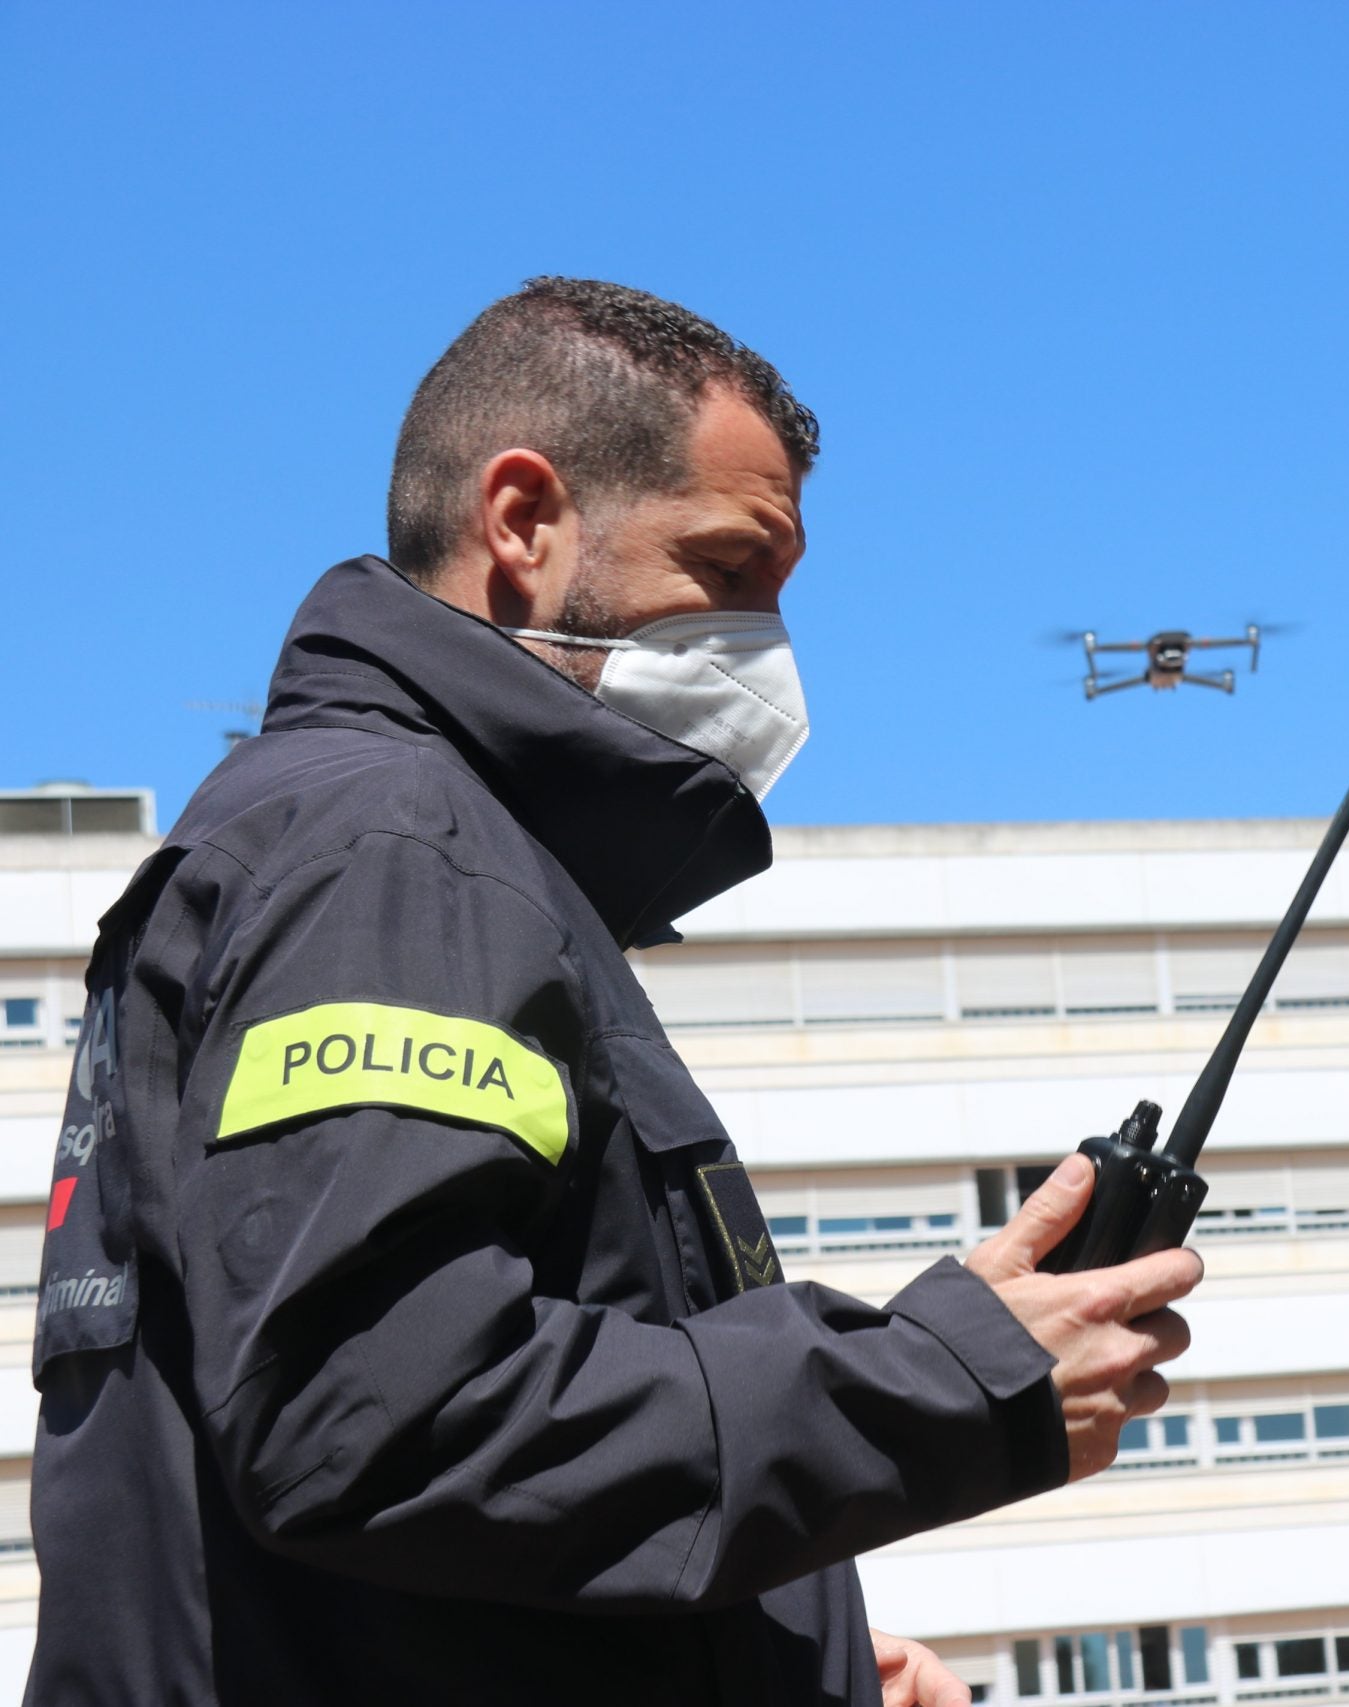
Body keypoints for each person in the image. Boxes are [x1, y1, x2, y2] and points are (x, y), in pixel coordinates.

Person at [26, 278, 1202, 1706]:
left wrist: (799, 1660)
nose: (766, 649)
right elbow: (383, 1417)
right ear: (523, 522)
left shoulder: (392, 842)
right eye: (728, 569)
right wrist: (944, 1385)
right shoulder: (399, 852)